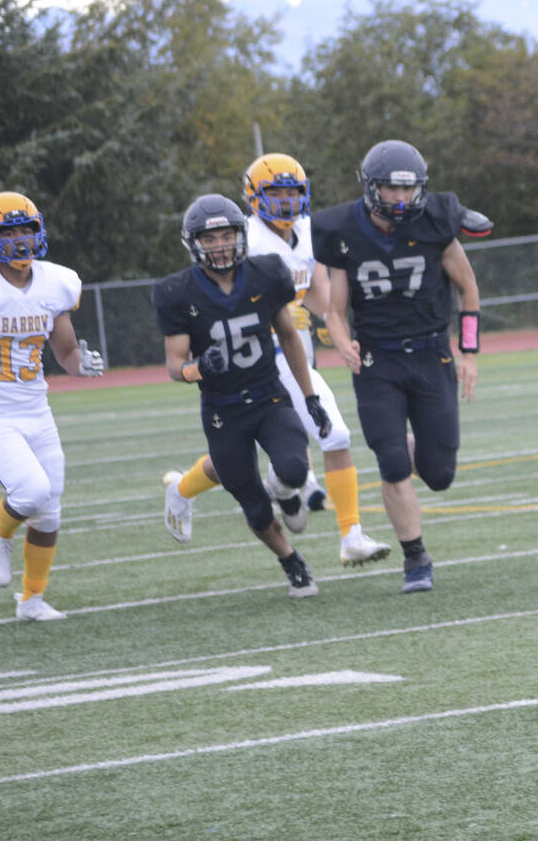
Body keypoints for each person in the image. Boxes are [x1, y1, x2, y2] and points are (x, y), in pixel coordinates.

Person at [160, 154, 391, 569]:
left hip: (297, 358)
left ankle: (350, 533)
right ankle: (194, 488)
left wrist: (333, 325)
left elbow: (316, 291)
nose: (285, 202)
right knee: (235, 462)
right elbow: (221, 302)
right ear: (253, 196)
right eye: (275, 193)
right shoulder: (239, 238)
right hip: (255, 362)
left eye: (292, 192)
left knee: (335, 434)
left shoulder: (308, 230)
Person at [312, 139, 481, 593]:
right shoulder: (345, 230)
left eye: (409, 190)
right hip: (377, 359)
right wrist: (343, 342)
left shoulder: (434, 223)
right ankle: (415, 558)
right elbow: (335, 308)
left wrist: (468, 353)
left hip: (431, 354)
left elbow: (468, 289)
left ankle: (406, 442)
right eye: (392, 190)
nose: (402, 199)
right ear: (372, 189)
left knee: (440, 473)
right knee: (390, 462)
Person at [0, 192, 105, 621]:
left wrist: (80, 364)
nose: (19, 241)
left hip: (37, 410)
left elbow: (65, 352)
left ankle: (31, 600)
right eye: (7, 232)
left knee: (50, 509)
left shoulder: (57, 282)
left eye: (25, 230)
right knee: (31, 492)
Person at [154, 195, 329, 597]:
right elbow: (174, 364)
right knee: (252, 504)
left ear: (240, 235)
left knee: (295, 468)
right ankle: (290, 560)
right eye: (210, 237)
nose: (219, 244)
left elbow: (288, 335)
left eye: (226, 235)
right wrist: (200, 369)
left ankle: (284, 492)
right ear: (194, 243)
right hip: (222, 409)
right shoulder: (178, 292)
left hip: (269, 394)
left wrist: (309, 396)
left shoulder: (267, 273)